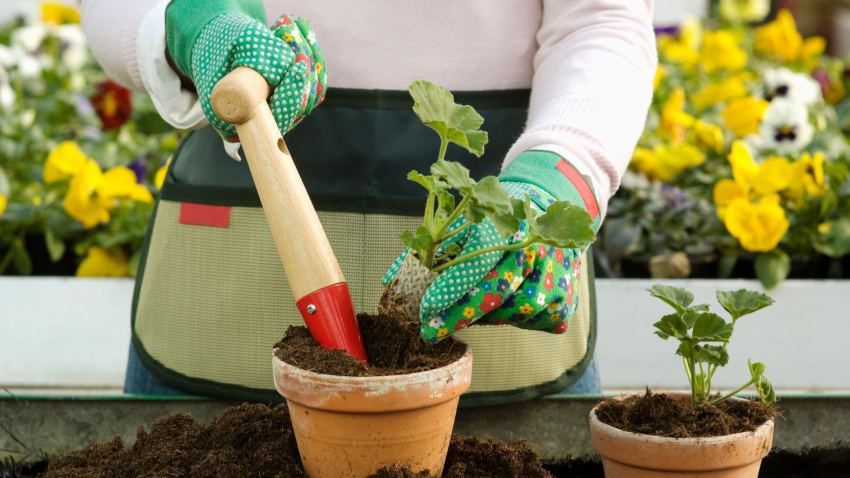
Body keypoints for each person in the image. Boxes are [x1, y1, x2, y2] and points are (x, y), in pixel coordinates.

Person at [80, 0, 657, 404]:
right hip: (230, 255)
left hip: (498, 250)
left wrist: (559, 171)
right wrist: (190, 22)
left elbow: (602, 18)